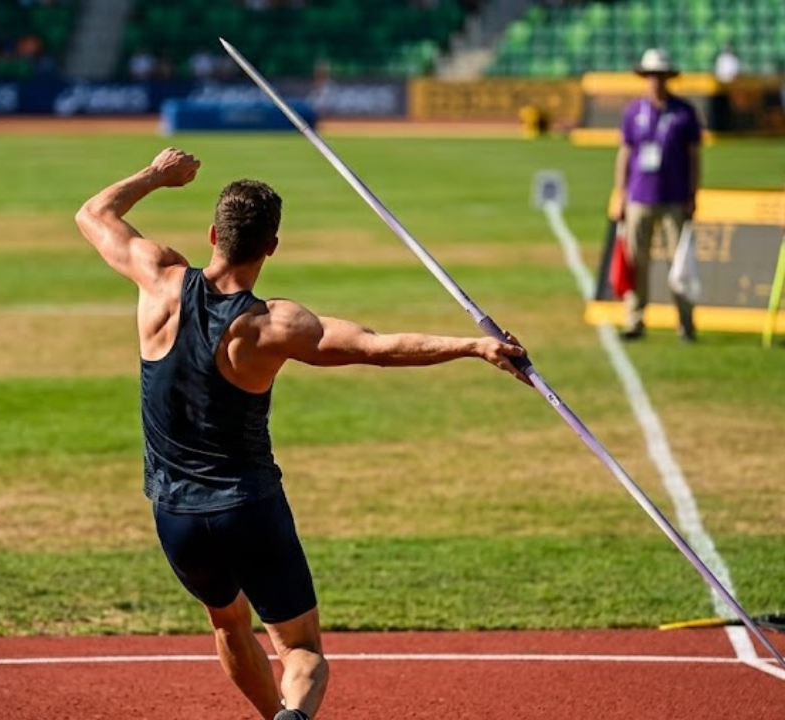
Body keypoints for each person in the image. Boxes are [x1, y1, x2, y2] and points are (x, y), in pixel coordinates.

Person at [74, 148, 530, 720]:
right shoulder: (274, 325)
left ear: (214, 232)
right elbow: (376, 347)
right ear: (271, 247)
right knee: (301, 649)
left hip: (176, 515)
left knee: (227, 620)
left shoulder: (159, 278)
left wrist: (157, 176)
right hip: (248, 507)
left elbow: (93, 214)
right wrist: (474, 345)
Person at [611, 48, 703, 342]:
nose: (656, 80)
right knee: (637, 263)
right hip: (639, 196)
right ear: (645, 77)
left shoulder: (684, 112)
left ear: (668, 77)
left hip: (675, 197)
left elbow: (695, 156)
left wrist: (693, 193)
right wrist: (620, 192)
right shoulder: (633, 111)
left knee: (679, 264)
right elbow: (625, 154)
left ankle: (686, 324)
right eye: (651, 75)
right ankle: (635, 320)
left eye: (660, 75)